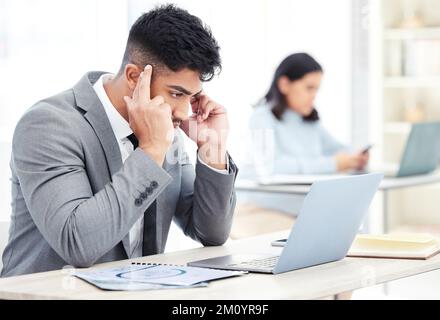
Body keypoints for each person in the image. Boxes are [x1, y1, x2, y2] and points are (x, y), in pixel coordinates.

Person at [1, 5, 238, 277]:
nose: (184, 113)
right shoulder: (48, 125)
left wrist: (212, 148)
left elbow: (211, 232)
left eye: (192, 97)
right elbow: (78, 244)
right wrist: (150, 151)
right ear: (135, 77)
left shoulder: (164, 128)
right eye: (176, 94)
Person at [249, 53, 369, 175]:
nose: (314, 96)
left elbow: (338, 149)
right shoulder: (262, 118)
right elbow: (269, 166)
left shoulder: (309, 122)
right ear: (284, 84)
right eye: (309, 88)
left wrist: (355, 158)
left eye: (316, 89)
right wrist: (332, 164)